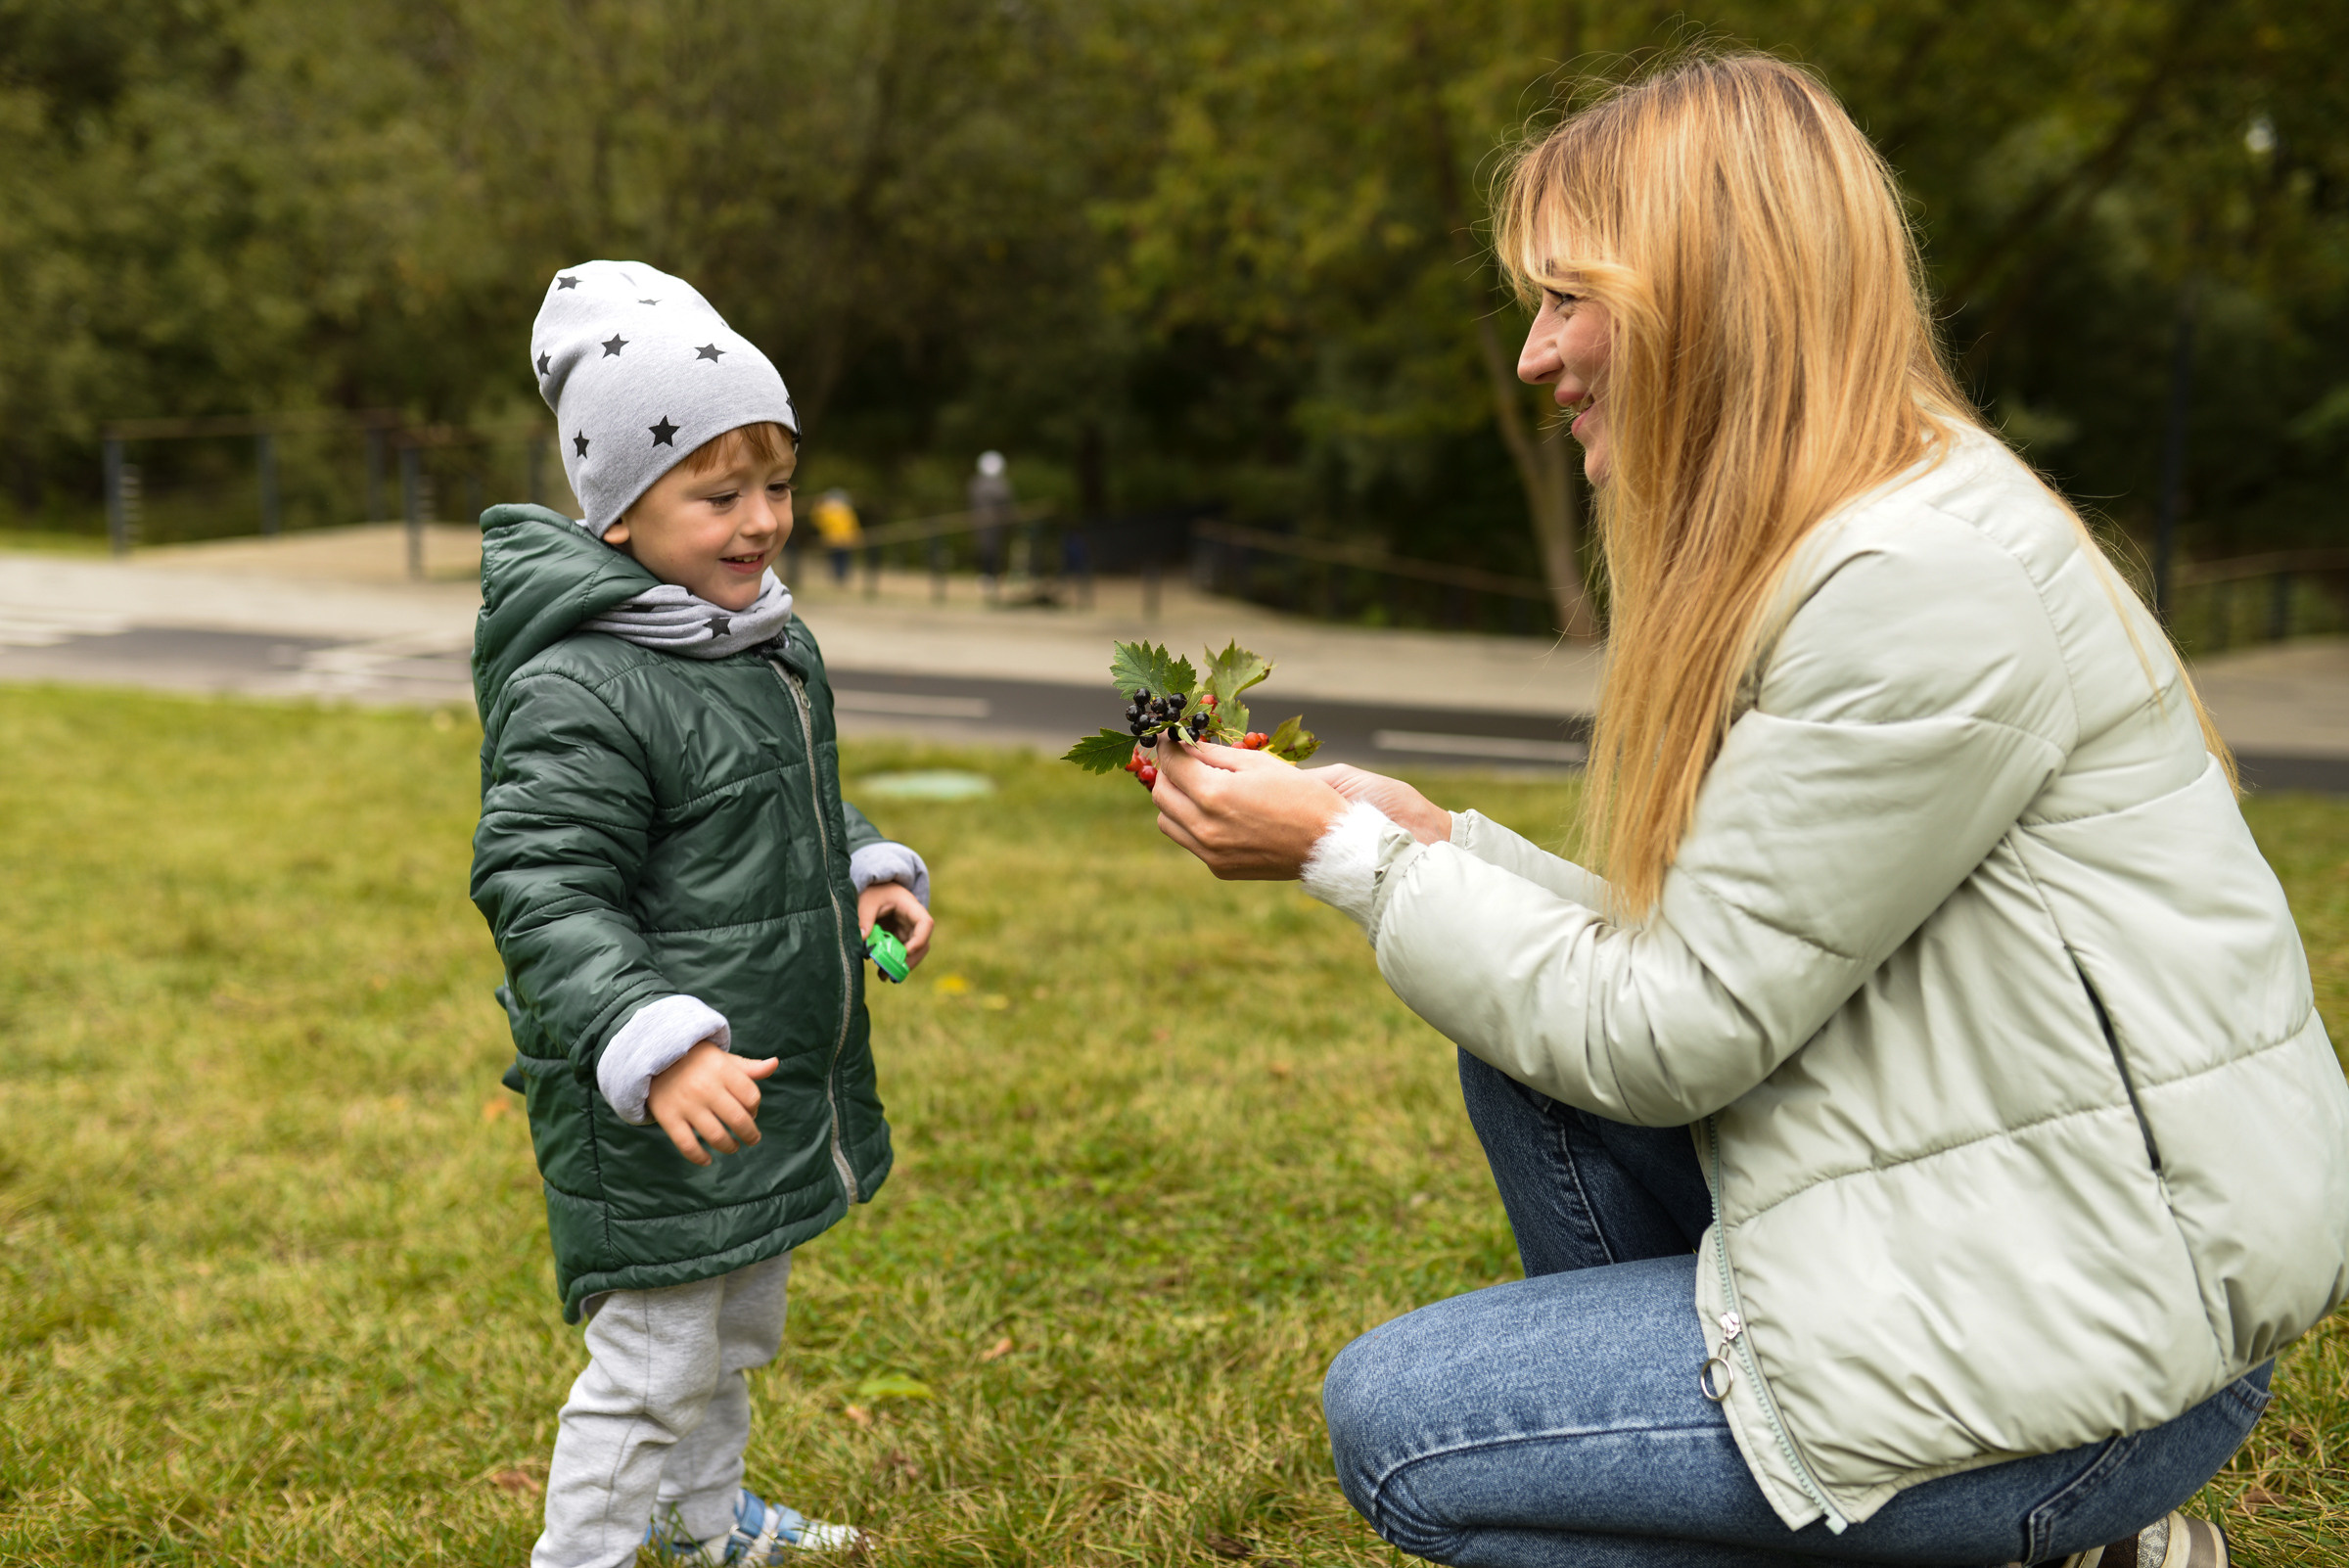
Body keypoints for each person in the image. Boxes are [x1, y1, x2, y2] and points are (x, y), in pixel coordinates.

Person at [1145, 56, 2349, 1568]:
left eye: (1567, 298)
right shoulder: (1857, 533)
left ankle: (2057, 1527)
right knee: (1522, 1053)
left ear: (1709, 295)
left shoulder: (1915, 584)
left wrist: (1346, 856)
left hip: (2112, 1331)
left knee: (1412, 1429)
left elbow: (1675, 1031)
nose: (1535, 355)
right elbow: (1708, 954)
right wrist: (1431, 841)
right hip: (2028, 1235)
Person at [473, 260, 938, 1568]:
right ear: (620, 508)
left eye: (776, 484)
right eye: (717, 492)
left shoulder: (757, 640)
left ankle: (700, 1520)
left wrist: (865, 867)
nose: (761, 522)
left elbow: (794, 800)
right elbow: (540, 881)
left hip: (755, 1075)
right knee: (655, 1357)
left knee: (732, 1326)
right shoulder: (585, 683)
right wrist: (653, 1038)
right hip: (658, 1093)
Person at [967, 449, 1014, 601]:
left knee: (990, 551)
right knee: (989, 550)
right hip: (988, 524)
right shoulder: (998, 484)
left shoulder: (977, 484)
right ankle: (988, 577)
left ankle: (991, 578)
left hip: (990, 524)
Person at [809, 486, 862, 586]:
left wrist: (856, 536)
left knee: (844, 560)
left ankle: (842, 579)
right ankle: (836, 578)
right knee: (834, 559)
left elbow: (853, 524)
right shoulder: (825, 511)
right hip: (832, 540)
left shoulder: (846, 510)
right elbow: (816, 520)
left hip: (846, 540)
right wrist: (817, 506)